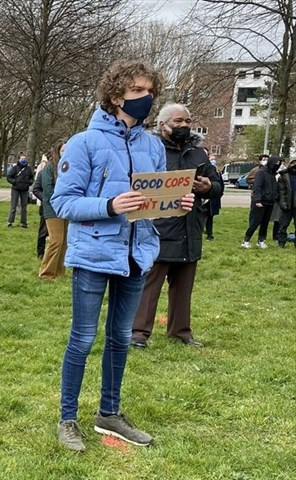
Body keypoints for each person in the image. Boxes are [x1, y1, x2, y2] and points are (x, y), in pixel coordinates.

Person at [51, 60, 195, 452]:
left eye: (150, 92)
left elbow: (152, 203)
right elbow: (62, 202)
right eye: (137, 92)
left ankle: (108, 414)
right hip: (94, 255)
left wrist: (175, 203)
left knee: (119, 337)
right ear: (115, 96)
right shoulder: (84, 143)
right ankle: (67, 419)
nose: (146, 99)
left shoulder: (152, 145)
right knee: (82, 338)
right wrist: (110, 204)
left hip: (137, 255)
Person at [131, 103, 223, 349]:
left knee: (184, 286)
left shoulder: (198, 153)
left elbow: (217, 186)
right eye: (179, 121)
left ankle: (181, 331)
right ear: (163, 125)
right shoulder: (150, 149)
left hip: (190, 228)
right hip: (159, 228)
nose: (185, 125)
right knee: (150, 285)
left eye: (188, 121)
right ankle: (138, 332)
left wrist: (209, 187)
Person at [33, 140, 67, 280]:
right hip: (53, 209)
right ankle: (46, 272)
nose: (66, 153)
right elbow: (48, 189)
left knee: (64, 241)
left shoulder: (67, 167)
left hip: (66, 208)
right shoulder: (49, 168)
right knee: (56, 240)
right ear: (57, 151)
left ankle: (59, 270)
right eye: (63, 150)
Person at [242, 156, 280, 249]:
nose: (277, 165)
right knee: (255, 222)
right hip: (260, 202)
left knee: (265, 223)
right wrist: (257, 200)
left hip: (270, 202)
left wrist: (275, 197)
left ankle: (261, 240)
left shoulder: (273, 174)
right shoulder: (261, 173)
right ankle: (246, 240)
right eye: (276, 163)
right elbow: (257, 187)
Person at [6, 153, 33, 227]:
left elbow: (31, 178)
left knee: (24, 206)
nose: (23, 160)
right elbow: (9, 177)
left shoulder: (28, 169)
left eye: (24, 158)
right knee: (13, 206)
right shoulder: (15, 168)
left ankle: (23, 222)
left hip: (25, 189)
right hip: (16, 189)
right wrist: (15, 182)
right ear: (19, 159)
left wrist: (29, 183)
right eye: (22, 159)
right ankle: (10, 221)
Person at [275, 159, 296, 247]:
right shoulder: (283, 176)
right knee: (283, 224)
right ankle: (281, 242)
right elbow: (281, 191)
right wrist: (283, 204)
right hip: (287, 205)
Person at [205, 157, 221, 240]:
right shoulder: (205, 169)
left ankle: (209, 234)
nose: (213, 161)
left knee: (210, 218)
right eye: (211, 159)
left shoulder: (217, 172)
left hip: (213, 200)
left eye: (214, 159)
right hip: (204, 200)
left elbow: (220, 185)